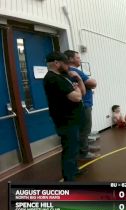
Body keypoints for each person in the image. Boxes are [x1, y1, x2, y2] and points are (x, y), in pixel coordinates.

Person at [43, 52, 85, 181]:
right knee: (69, 149)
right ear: (57, 63)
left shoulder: (62, 77)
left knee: (74, 146)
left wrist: (78, 79)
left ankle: (73, 170)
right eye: (65, 63)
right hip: (66, 121)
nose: (68, 66)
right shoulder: (53, 79)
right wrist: (76, 89)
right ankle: (69, 178)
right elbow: (77, 97)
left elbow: (81, 92)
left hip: (73, 119)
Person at [64, 50, 99, 160]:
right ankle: (84, 153)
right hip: (83, 105)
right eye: (78, 57)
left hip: (80, 105)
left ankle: (85, 147)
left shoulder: (69, 71)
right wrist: (88, 82)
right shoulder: (74, 71)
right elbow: (93, 83)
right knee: (85, 129)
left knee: (83, 129)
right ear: (70, 59)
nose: (80, 59)